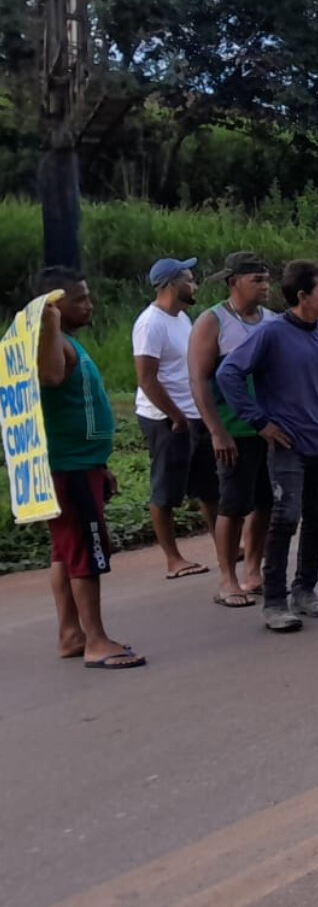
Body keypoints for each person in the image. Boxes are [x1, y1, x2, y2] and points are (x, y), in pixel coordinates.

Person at [217, 260, 318, 633]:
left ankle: (305, 590)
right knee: (285, 516)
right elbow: (229, 374)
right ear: (303, 296)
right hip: (289, 442)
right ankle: (274, 601)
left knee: (317, 514)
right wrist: (260, 422)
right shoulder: (272, 333)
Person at [35, 267, 145, 669]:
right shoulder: (50, 344)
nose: (90, 305)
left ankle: (70, 633)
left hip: (83, 465)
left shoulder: (65, 342)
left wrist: (101, 465)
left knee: (65, 553)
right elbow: (49, 377)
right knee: (84, 551)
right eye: (79, 299)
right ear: (54, 306)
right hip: (70, 468)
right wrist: (47, 321)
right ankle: (96, 641)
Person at [188, 251, 280, 608]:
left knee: (265, 503)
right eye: (256, 280)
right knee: (233, 505)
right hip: (232, 431)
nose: (264, 286)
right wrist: (216, 430)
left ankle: (254, 570)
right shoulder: (213, 321)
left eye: (266, 279)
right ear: (233, 283)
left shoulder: (271, 321)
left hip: (267, 429)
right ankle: (227, 578)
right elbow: (198, 379)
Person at [133, 256, 219, 579]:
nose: (194, 284)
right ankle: (173, 559)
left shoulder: (183, 318)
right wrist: (176, 416)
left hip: (193, 413)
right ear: (170, 285)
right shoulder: (150, 323)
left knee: (209, 485)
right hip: (165, 418)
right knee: (166, 489)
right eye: (189, 279)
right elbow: (146, 379)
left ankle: (223, 542)